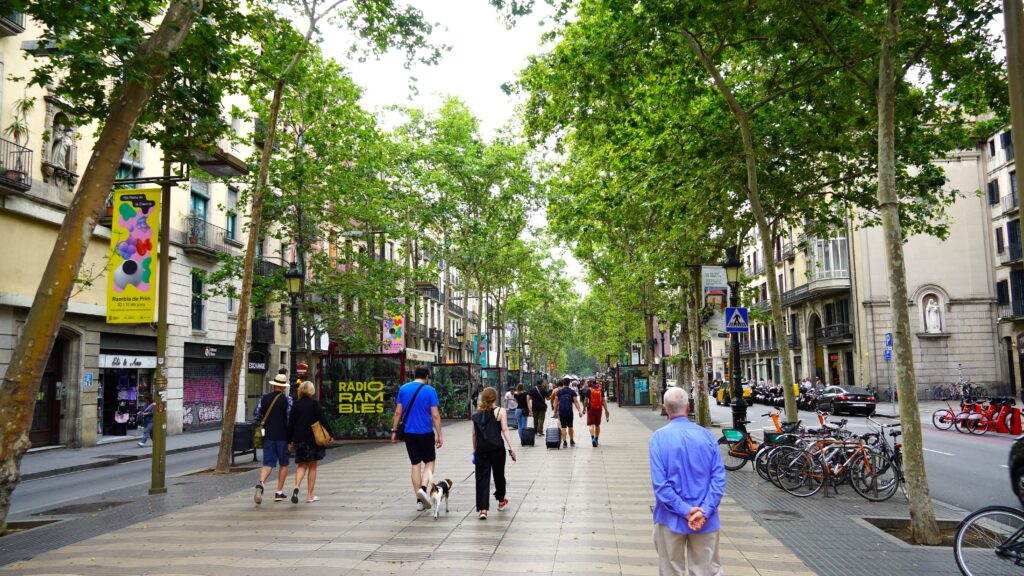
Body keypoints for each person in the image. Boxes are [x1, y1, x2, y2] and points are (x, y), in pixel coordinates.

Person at [650, 387, 725, 576]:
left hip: (670, 518)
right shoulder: (707, 436)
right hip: (705, 519)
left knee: (670, 570)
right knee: (706, 571)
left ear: (665, 408)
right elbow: (718, 478)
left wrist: (685, 510)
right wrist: (704, 510)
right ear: (688, 406)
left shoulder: (658, 438)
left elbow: (660, 485)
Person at [391, 365, 443, 512]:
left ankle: (419, 501)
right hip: (425, 432)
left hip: (409, 433)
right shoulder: (430, 390)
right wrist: (439, 434)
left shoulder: (403, 389)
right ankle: (423, 488)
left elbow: (397, 413)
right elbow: (435, 415)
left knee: (415, 464)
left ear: (414, 374)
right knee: (430, 462)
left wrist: (394, 430)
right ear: (427, 376)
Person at [471, 387, 516, 520]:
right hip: (497, 449)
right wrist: (511, 447)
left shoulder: (477, 414)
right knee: (499, 475)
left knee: (482, 478)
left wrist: (475, 450)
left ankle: (483, 510)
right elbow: (505, 429)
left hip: (482, 450)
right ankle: (501, 501)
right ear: (495, 398)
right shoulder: (500, 411)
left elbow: (474, 434)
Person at [287, 380, 332, 504]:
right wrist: (331, 434)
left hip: (299, 438)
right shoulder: (314, 403)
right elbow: (323, 420)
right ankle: (309, 495)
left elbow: (290, 424)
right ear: (311, 390)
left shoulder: (295, 405)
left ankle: (296, 486)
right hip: (313, 439)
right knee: (312, 466)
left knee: (301, 465)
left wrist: (289, 441)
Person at [253, 373, 293, 504]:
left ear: (274, 385)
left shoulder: (263, 399)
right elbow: (289, 419)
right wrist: (290, 439)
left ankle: (261, 483)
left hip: (268, 436)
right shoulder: (288, 400)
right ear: (283, 387)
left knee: (268, 464)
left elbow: (256, 414)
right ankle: (279, 492)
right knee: (284, 464)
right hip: (283, 436)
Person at [551, 377, 583, 448]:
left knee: (563, 427)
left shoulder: (559, 392)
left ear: (563, 383)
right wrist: (579, 411)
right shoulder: (572, 391)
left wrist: (555, 412)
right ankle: (571, 440)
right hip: (569, 412)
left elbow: (555, 403)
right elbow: (576, 402)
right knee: (570, 426)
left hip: (562, 411)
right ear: (569, 383)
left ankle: (564, 442)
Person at [585, 380, 611, 447]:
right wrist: (606, 410)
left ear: (591, 384)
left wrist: (584, 408)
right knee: (597, 425)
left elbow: (585, 400)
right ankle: (596, 439)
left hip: (591, 409)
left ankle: (592, 438)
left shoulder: (589, 390)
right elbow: (603, 400)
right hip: (599, 409)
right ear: (597, 384)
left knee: (591, 425)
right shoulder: (600, 390)